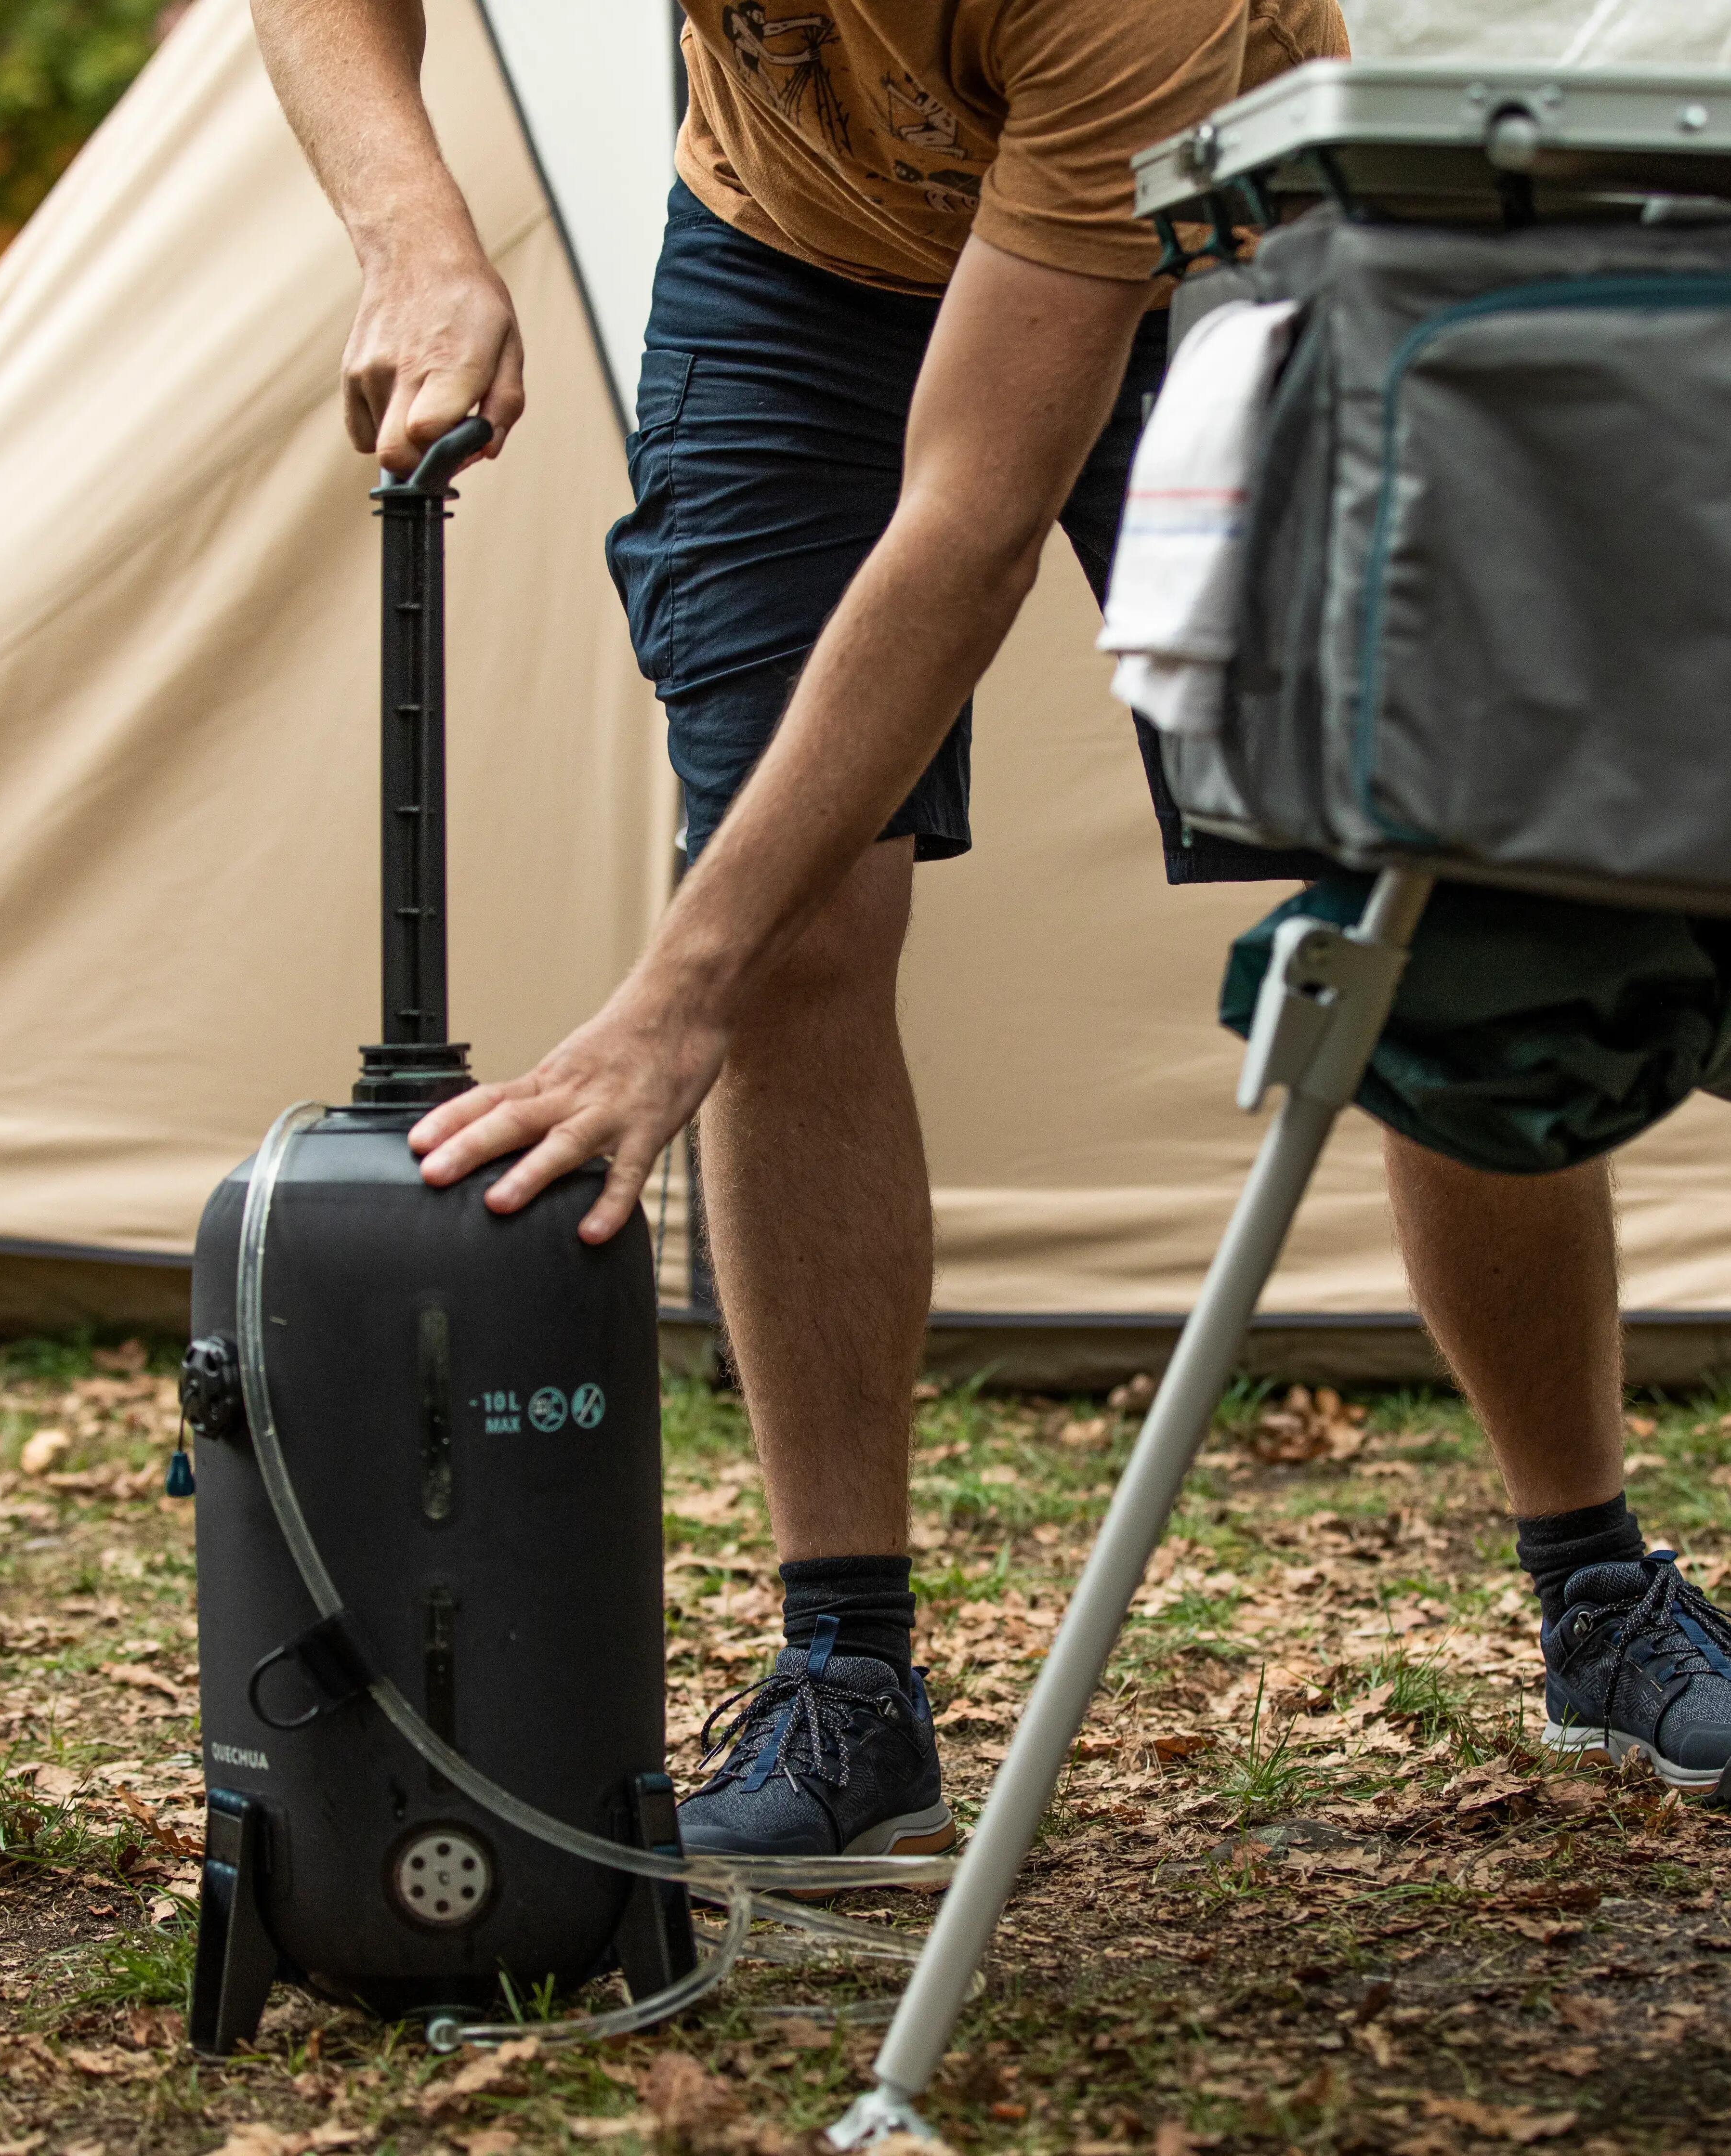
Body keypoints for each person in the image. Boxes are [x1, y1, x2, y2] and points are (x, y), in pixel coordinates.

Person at [252, 0, 1731, 1856]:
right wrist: (415, 233)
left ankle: (1594, 1585)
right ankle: (847, 1683)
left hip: (1227, 258)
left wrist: (667, 993)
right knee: (796, 928)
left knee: (1422, 905)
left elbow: (969, 518)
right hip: (791, 251)